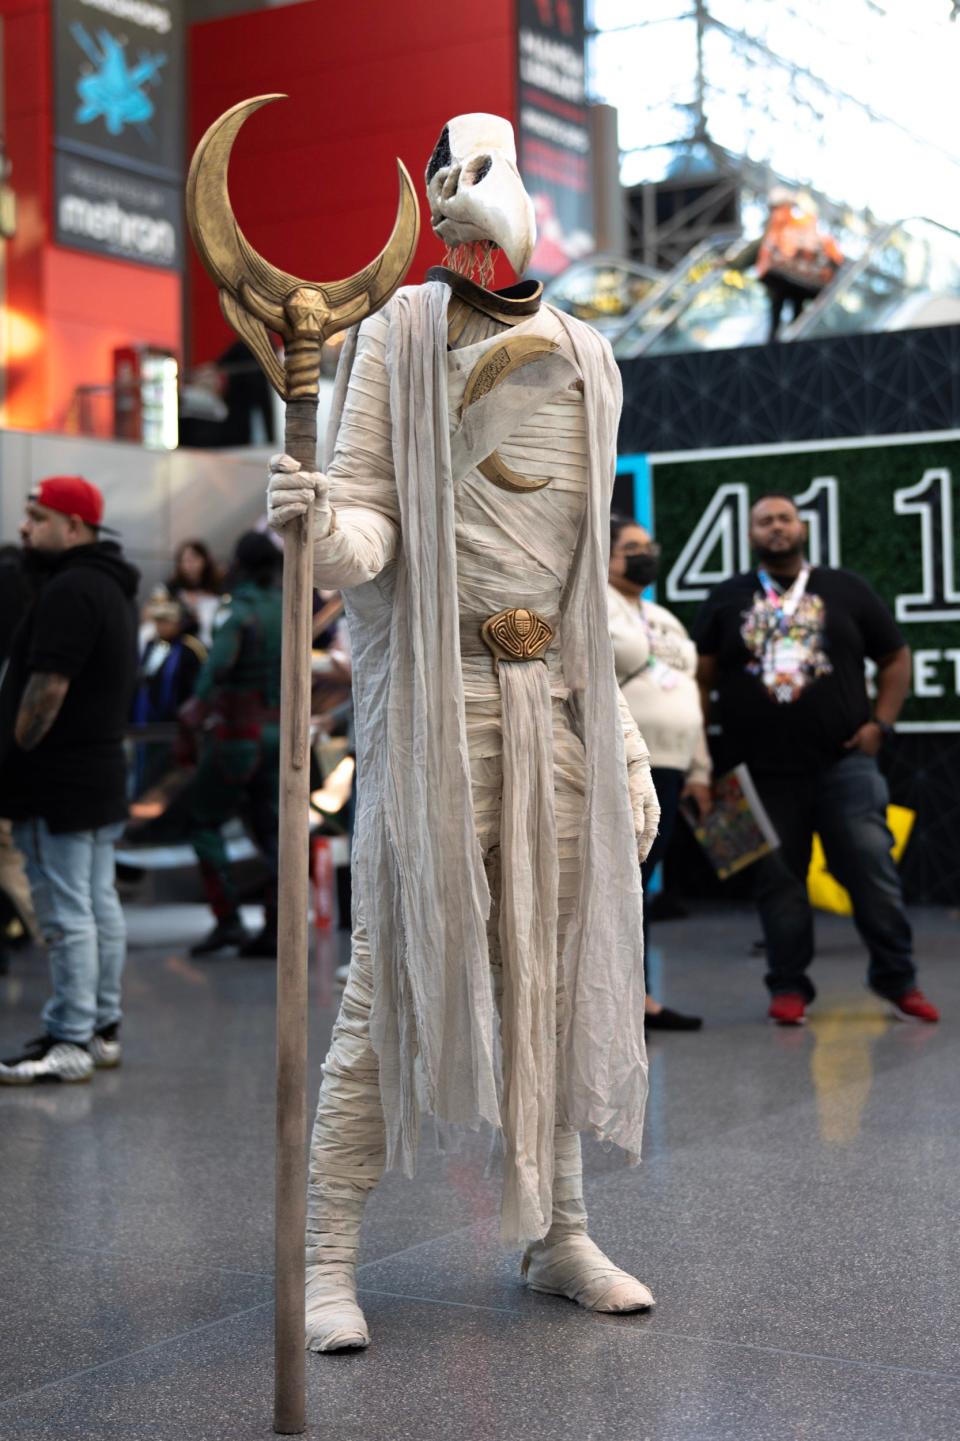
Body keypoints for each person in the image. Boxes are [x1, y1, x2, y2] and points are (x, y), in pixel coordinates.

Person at [267, 112, 660, 1354]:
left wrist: (632, 745)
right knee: (391, 980)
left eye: (478, 169)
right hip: (439, 710)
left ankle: (560, 1231)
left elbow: (583, 581)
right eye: (444, 175)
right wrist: (321, 526)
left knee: (548, 977)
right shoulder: (395, 332)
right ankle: (325, 1257)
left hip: (560, 715)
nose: (458, 194)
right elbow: (376, 535)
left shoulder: (590, 357)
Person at [694, 493, 939, 1027]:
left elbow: (896, 657)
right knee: (778, 883)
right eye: (765, 522)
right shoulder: (725, 597)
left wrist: (883, 724)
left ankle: (898, 980)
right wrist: (703, 757)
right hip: (756, 771)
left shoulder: (846, 589)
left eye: (784, 518)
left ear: (801, 527)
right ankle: (788, 987)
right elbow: (702, 678)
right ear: (751, 534)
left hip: (845, 765)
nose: (775, 528)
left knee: (873, 871)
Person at [0, 476, 139, 1083]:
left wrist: (15, 755)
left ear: (73, 527)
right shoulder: (111, 586)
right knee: (97, 906)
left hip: (56, 781)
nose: (25, 528)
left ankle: (69, 1038)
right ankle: (100, 1029)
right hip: (99, 773)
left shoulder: (69, 589)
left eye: (37, 517)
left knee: (65, 914)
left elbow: (46, 690)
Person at [608, 515, 709, 1031]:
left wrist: (701, 769)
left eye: (649, 545)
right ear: (604, 555)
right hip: (617, 767)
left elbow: (691, 692)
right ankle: (625, 1002)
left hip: (671, 766)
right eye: (631, 547)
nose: (645, 554)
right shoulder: (593, 604)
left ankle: (636, 998)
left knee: (640, 884)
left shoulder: (666, 617)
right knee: (622, 885)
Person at [186, 531, 282, 960]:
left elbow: (219, 666)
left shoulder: (238, 611)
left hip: (239, 736)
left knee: (202, 820)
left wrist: (194, 707)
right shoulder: (287, 605)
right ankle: (278, 923)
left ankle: (228, 921)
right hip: (281, 735)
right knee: (272, 831)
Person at [730, 187, 844, 341]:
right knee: (794, 312)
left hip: (784, 279)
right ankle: (792, 341)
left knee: (778, 312)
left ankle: (780, 342)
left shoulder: (782, 225)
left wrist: (732, 263)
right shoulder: (807, 223)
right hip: (803, 283)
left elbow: (755, 251)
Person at [131, 592, 207, 797]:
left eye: (166, 621)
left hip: (176, 723)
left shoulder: (191, 649)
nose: (161, 626)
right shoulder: (152, 645)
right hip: (148, 722)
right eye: (158, 621)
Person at [166, 538, 222, 645]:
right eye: (185, 561)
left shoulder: (216, 588)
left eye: (194, 559)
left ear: (205, 560)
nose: (189, 565)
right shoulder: (172, 588)